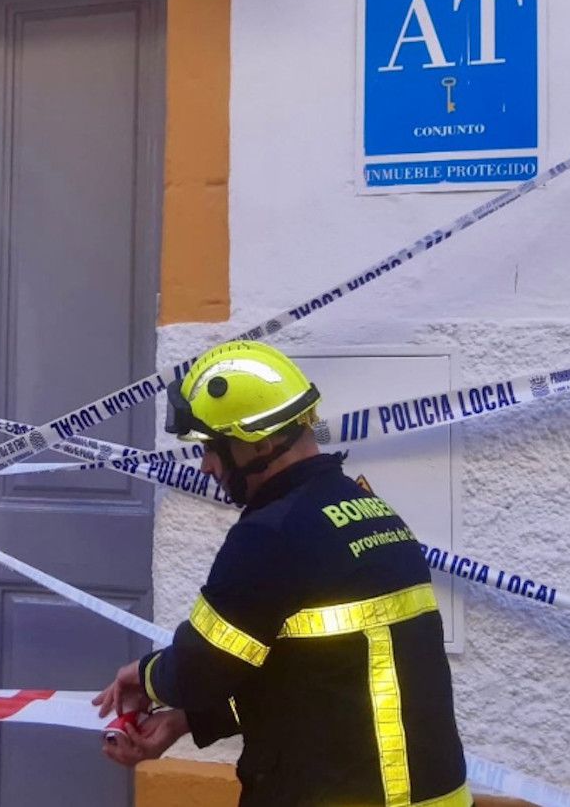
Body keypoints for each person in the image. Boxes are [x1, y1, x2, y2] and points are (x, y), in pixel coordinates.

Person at [94, 340, 470, 806]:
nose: (208, 465)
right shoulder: (372, 512)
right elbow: (309, 676)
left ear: (262, 441)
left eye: (213, 446)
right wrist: (186, 720)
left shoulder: (270, 535)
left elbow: (199, 670)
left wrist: (146, 675)